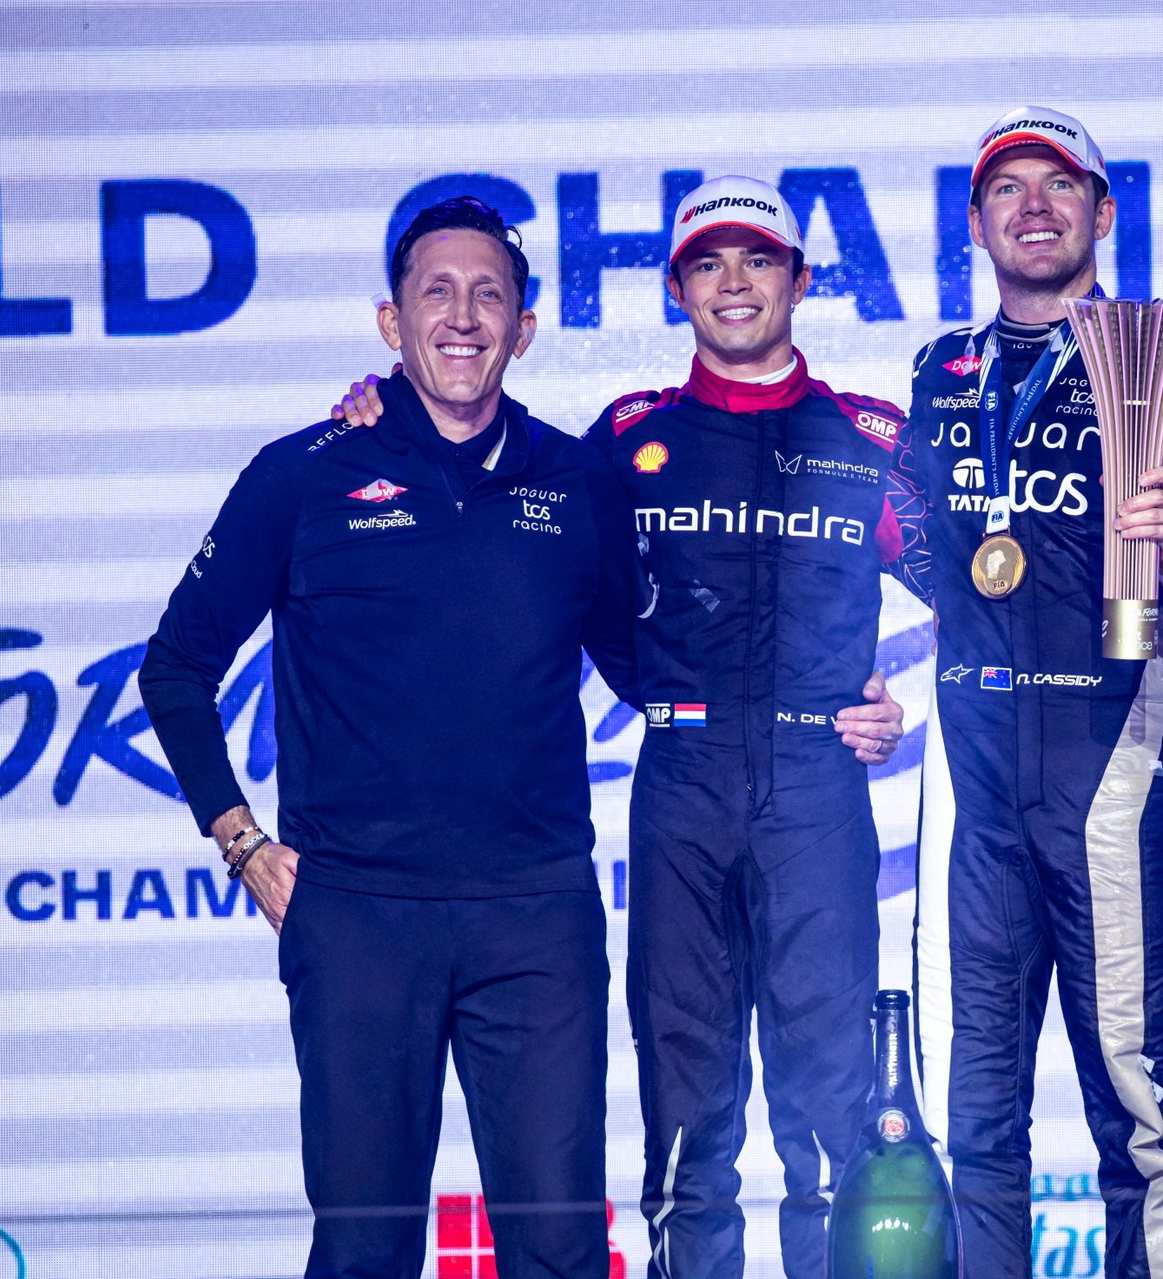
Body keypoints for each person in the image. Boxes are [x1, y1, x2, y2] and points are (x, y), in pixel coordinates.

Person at [330, 175, 908, 1279]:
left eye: (757, 260)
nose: (733, 283)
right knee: (688, 1110)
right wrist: (380, 402)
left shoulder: (873, 436)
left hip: (817, 790)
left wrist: (887, 701)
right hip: (682, 783)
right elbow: (503, 507)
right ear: (678, 288)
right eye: (707, 263)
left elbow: (987, 590)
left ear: (801, 278)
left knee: (830, 1107)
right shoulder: (623, 440)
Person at [139, 196, 647, 1279]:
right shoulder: (305, 473)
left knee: (559, 1248)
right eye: (436, 292)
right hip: (359, 918)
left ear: (525, 328)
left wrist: (821, 705)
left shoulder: (578, 478)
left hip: (537, 918)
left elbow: (653, 670)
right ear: (390, 320)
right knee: (366, 1250)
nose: (462, 317)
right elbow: (175, 664)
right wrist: (240, 840)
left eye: (489, 296)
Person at [887, 106, 1163, 1279]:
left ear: (1102, 211)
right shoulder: (940, 370)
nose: (1033, 207)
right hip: (981, 789)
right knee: (978, 1111)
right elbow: (903, 531)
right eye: (1007, 190)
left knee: (1138, 1110)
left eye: (1060, 187)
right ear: (977, 222)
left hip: (1114, 774)